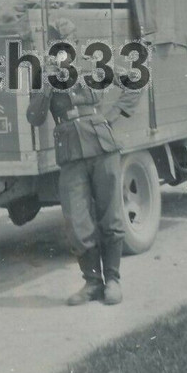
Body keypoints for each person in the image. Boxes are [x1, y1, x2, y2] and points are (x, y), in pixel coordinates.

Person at [26, 18, 143, 306]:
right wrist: (46, 88)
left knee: (111, 216)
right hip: (70, 154)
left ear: (76, 42)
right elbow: (34, 117)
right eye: (56, 43)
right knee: (77, 221)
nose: (62, 47)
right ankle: (92, 283)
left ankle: (113, 280)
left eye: (67, 40)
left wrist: (113, 116)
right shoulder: (45, 75)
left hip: (102, 146)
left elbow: (134, 84)